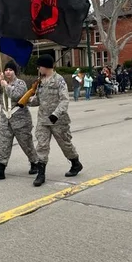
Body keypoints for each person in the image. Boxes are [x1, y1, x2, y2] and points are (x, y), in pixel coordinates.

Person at [28, 54, 83, 187]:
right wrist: (28, 101)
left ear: (45, 66)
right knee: (41, 145)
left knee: (65, 144)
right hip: (43, 119)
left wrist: (56, 114)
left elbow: (64, 100)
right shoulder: (40, 81)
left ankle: (75, 163)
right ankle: (41, 174)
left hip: (58, 120)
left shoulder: (59, 80)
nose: (38, 68)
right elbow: (38, 100)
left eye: (39, 66)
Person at [0, 61, 39, 181]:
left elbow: (17, 96)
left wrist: (6, 85)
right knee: (4, 145)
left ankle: (34, 162)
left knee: (26, 144)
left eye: (10, 70)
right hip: (6, 120)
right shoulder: (1, 83)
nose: (8, 72)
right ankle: (0, 168)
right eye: (6, 70)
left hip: (20, 119)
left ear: (15, 72)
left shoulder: (20, 83)